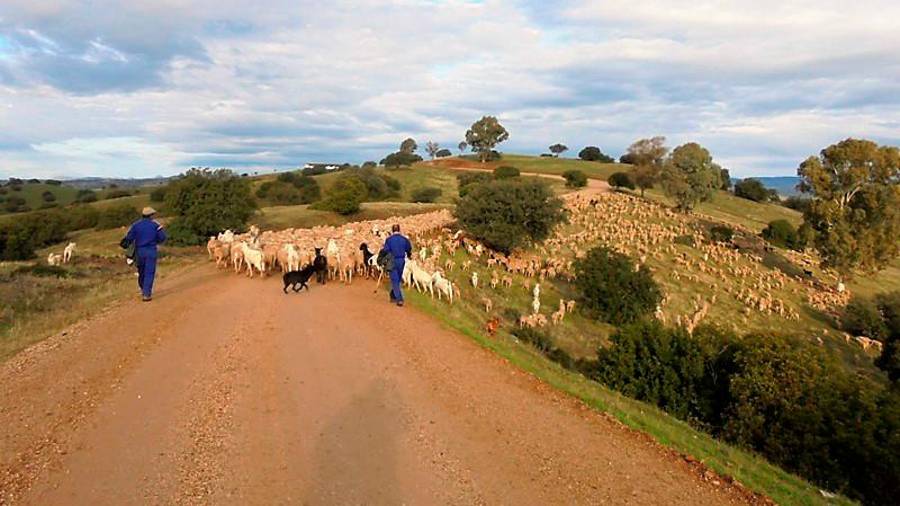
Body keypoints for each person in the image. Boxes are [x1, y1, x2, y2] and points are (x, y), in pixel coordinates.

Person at [124, 207, 167, 302]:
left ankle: (143, 288)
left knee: (141, 271)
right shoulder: (155, 225)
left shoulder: (136, 225)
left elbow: (129, 238)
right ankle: (146, 294)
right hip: (151, 250)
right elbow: (162, 237)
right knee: (149, 272)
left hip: (139, 251)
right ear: (151, 215)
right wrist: (156, 241)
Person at [380, 223, 412, 306]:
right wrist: (408, 254)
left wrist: (382, 258)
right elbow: (409, 248)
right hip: (401, 261)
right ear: (399, 230)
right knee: (397, 279)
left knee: (395, 280)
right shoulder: (404, 239)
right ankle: (393, 296)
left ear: (392, 230)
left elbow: (386, 250)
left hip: (392, 260)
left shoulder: (389, 240)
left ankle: (399, 299)